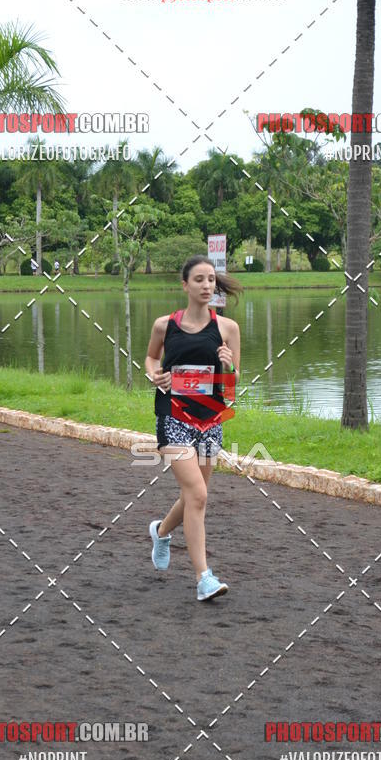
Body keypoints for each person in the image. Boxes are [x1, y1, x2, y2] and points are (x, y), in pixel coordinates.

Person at [144, 255, 243, 602]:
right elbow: (151, 359)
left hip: (210, 420)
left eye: (211, 280)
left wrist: (229, 367)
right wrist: (155, 375)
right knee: (199, 495)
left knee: (194, 495)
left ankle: (161, 531)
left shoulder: (228, 328)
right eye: (199, 280)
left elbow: (231, 391)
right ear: (184, 285)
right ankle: (204, 578)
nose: (207, 286)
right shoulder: (164, 325)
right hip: (172, 418)